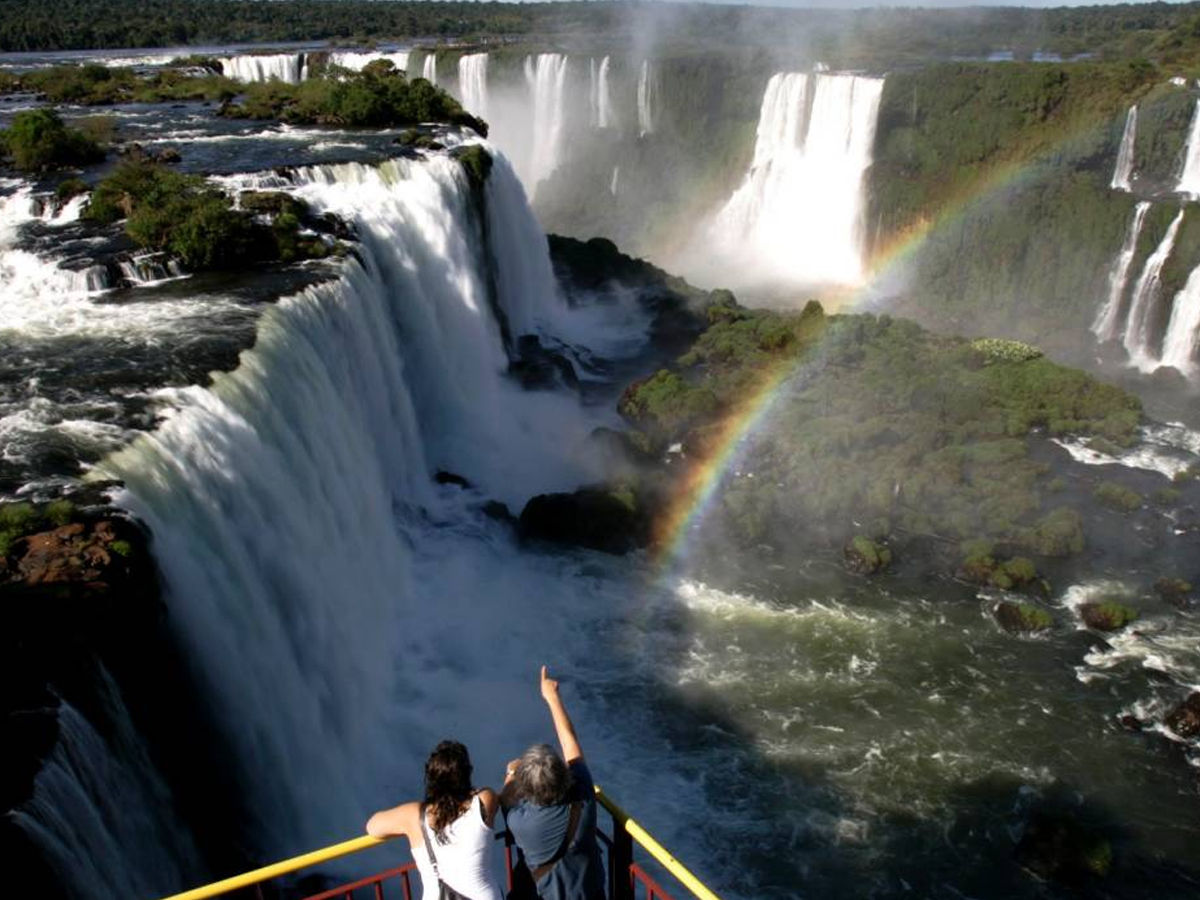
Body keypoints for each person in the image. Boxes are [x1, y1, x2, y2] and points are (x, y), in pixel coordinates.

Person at [501, 666, 606, 900]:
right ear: (564, 774)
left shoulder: (520, 823)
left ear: (526, 789)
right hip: (593, 893)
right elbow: (570, 742)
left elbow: (506, 797)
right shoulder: (584, 796)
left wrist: (511, 771)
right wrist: (552, 697)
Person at [366, 740, 503, 900]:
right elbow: (505, 794)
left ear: (430, 778)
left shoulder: (413, 815)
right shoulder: (485, 800)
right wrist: (512, 774)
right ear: (468, 773)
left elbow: (372, 827)